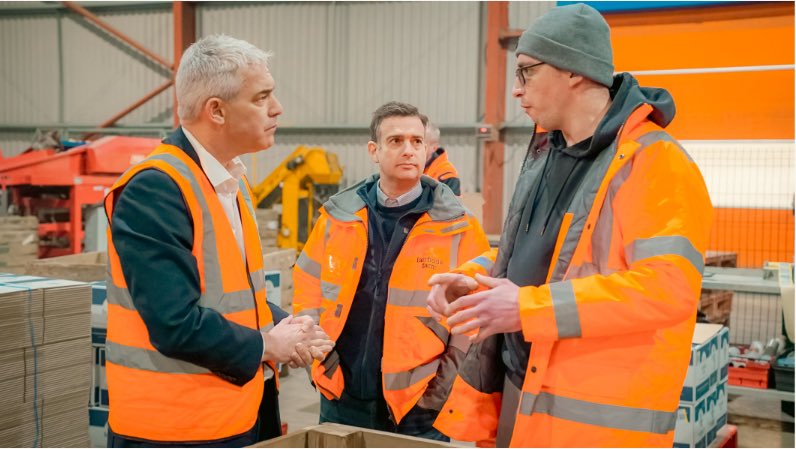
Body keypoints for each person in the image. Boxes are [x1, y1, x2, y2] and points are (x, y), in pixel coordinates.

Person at [427, 4, 713, 447]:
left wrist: (527, 309)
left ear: (573, 71)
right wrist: (471, 281)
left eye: (525, 72)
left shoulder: (655, 163)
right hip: (521, 393)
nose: (516, 92)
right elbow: (532, 256)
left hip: (590, 421)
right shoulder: (546, 152)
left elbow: (667, 288)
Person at [103, 34, 333, 447]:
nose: (277, 109)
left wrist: (288, 325)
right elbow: (174, 323)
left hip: (233, 414)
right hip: (173, 429)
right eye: (262, 98)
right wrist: (269, 345)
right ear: (217, 111)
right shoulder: (156, 189)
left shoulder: (227, 181)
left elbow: (234, 296)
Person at [293, 101, 490, 441]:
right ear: (374, 150)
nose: (409, 150)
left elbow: (474, 316)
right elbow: (307, 285)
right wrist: (319, 359)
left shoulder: (459, 227)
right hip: (340, 392)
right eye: (396, 141)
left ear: (428, 149)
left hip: (418, 404)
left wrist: (441, 387)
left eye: (416, 141)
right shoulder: (339, 216)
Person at [423, 121, 462, 196]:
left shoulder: (447, 175)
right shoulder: (406, 167)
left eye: (418, 142)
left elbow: (451, 206)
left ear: (434, 147)